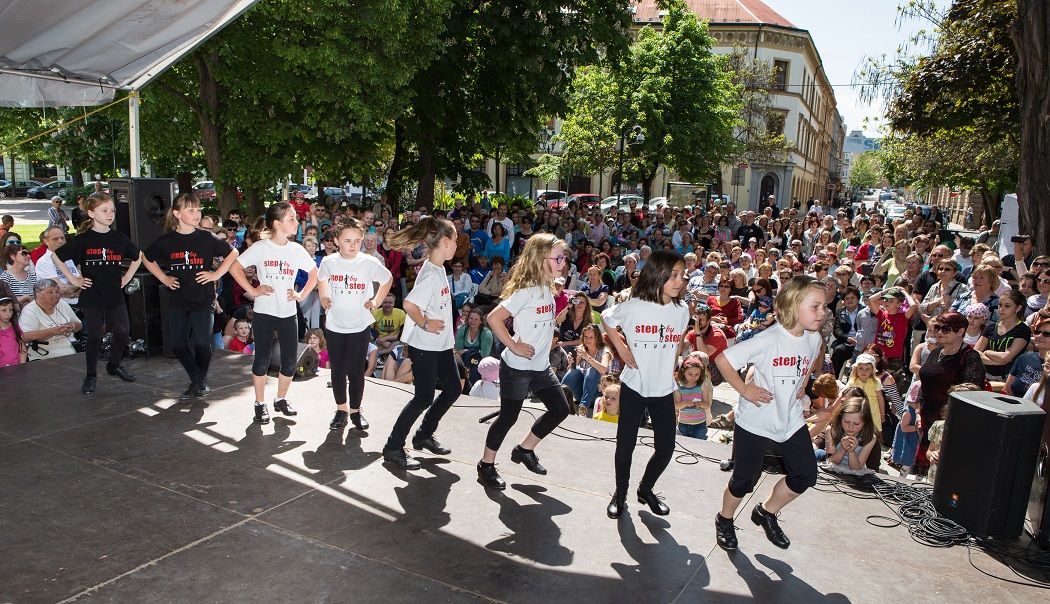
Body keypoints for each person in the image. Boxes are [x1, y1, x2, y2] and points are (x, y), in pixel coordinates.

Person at [713, 276, 825, 551]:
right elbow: (722, 360)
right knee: (743, 481)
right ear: (794, 305)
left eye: (824, 307)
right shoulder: (768, 339)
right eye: (816, 306)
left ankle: (766, 511)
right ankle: (724, 519)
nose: (822, 313)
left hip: (790, 420)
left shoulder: (814, 338)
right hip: (756, 421)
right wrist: (744, 390)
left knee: (805, 475)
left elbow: (810, 360)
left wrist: (802, 384)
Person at [477, 234, 572, 490]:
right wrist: (514, 345)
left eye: (564, 257)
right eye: (558, 258)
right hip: (517, 367)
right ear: (542, 259)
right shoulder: (527, 292)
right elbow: (494, 318)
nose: (563, 262)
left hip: (540, 367)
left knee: (561, 409)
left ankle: (524, 450)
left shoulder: (548, 288)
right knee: (508, 418)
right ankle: (486, 466)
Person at [601, 250, 690, 518]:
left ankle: (646, 489)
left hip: (663, 389)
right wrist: (621, 348)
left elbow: (675, 345)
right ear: (658, 274)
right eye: (674, 275)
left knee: (666, 449)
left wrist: (672, 376)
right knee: (625, 445)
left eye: (682, 275)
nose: (679, 281)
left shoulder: (682, 310)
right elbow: (606, 317)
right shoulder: (635, 305)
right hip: (634, 387)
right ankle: (620, 494)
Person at [228, 202, 318, 424]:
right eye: (292, 219)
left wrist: (301, 295)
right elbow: (234, 267)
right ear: (278, 224)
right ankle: (260, 404)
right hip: (264, 314)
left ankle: (281, 399)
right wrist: (252, 290)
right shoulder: (261, 248)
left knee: (289, 362)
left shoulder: (296, 249)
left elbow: (314, 273)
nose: (297, 223)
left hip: (288, 314)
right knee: (262, 360)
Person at [142, 193, 239, 400]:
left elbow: (233, 253)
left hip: (203, 299)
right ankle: (198, 380)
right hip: (178, 299)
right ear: (177, 214)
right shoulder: (166, 240)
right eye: (190, 210)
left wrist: (216, 274)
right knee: (178, 344)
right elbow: (146, 257)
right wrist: (164, 278)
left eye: (198, 209)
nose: (196, 214)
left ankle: (198, 381)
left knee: (203, 343)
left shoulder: (206, 237)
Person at [381, 217, 460, 470]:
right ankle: (393, 446)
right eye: (456, 239)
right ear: (446, 242)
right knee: (423, 397)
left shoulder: (436, 268)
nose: (457, 244)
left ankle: (424, 434)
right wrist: (425, 323)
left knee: (453, 389)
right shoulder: (432, 276)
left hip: (441, 345)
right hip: (425, 346)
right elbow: (409, 304)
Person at [53, 193, 143, 394]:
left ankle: (114, 365)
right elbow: (57, 257)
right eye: (104, 210)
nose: (110, 214)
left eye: (112, 210)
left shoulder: (118, 238)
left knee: (123, 330)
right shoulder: (83, 240)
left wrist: (126, 278)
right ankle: (91, 375)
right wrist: (74, 279)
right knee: (93, 336)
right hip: (92, 293)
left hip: (114, 292)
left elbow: (138, 256)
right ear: (91, 213)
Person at [317, 217, 393, 432]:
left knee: (355, 370)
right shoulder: (328, 262)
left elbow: (387, 280)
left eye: (357, 241)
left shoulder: (369, 262)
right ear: (336, 241)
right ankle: (341, 410)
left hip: (359, 325)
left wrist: (376, 301)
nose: (353, 245)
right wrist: (323, 296)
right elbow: (322, 279)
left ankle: (356, 411)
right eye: (348, 240)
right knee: (338, 369)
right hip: (334, 325)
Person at [18, 279, 81, 361]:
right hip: (45, 356)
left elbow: (79, 325)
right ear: (38, 294)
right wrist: (53, 331)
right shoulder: (30, 310)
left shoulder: (62, 303)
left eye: (57, 292)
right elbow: (24, 336)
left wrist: (72, 326)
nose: (56, 295)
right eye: (50, 292)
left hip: (72, 349)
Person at [975, 289, 1031, 382]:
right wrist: (997, 362)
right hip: (984, 375)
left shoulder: (1022, 330)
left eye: (1007, 306)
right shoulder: (991, 326)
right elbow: (975, 353)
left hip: (1005, 379)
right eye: (1000, 305)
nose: (1001, 309)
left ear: (1018, 308)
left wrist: (988, 352)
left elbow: (1006, 357)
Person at [561, 324, 611, 416]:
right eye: (585, 337)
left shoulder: (604, 351)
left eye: (591, 337)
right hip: (581, 393)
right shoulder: (581, 349)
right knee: (575, 370)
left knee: (593, 370)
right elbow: (571, 373)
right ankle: (559, 401)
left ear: (597, 338)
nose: (587, 340)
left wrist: (587, 357)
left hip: (598, 394)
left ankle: (583, 409)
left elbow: (604, 370)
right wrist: (572, 363)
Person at [821, 397, 879, 475]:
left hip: (854, 474)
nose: (850, 427)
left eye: (856, 423)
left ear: (865, 423)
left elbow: (857, 467)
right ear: (840, 418)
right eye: (846, 421)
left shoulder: (870, 438)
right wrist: (842, 450)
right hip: (833, 470)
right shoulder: (832, 431)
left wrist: (852, 452)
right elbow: (830, 461)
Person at [674, 353, 713, 440]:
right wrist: (686, 403)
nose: (693, 377)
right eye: (690, 374)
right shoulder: (679, 387)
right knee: (684, 444)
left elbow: (707, 404)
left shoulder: (702, 386)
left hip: (700, 424)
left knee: (699, 445)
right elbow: (676, 405)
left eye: (697, 374)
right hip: (683, 423)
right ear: (683, 372)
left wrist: (701, 404)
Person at [891, 395, 921, 476]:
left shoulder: (918, 412)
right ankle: (901, 478)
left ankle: (918, 481)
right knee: (908, 460)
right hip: (908, 440)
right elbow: (903, 428)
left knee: (916, 462)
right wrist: (917, 427)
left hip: (915, 440)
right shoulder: (908, 412)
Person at [0, 296, 25, 366]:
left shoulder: (14, 326)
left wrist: (22, 365)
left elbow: (22, 347)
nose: (8, 313)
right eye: (4, 310)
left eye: (10, 310)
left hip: (15, 369)